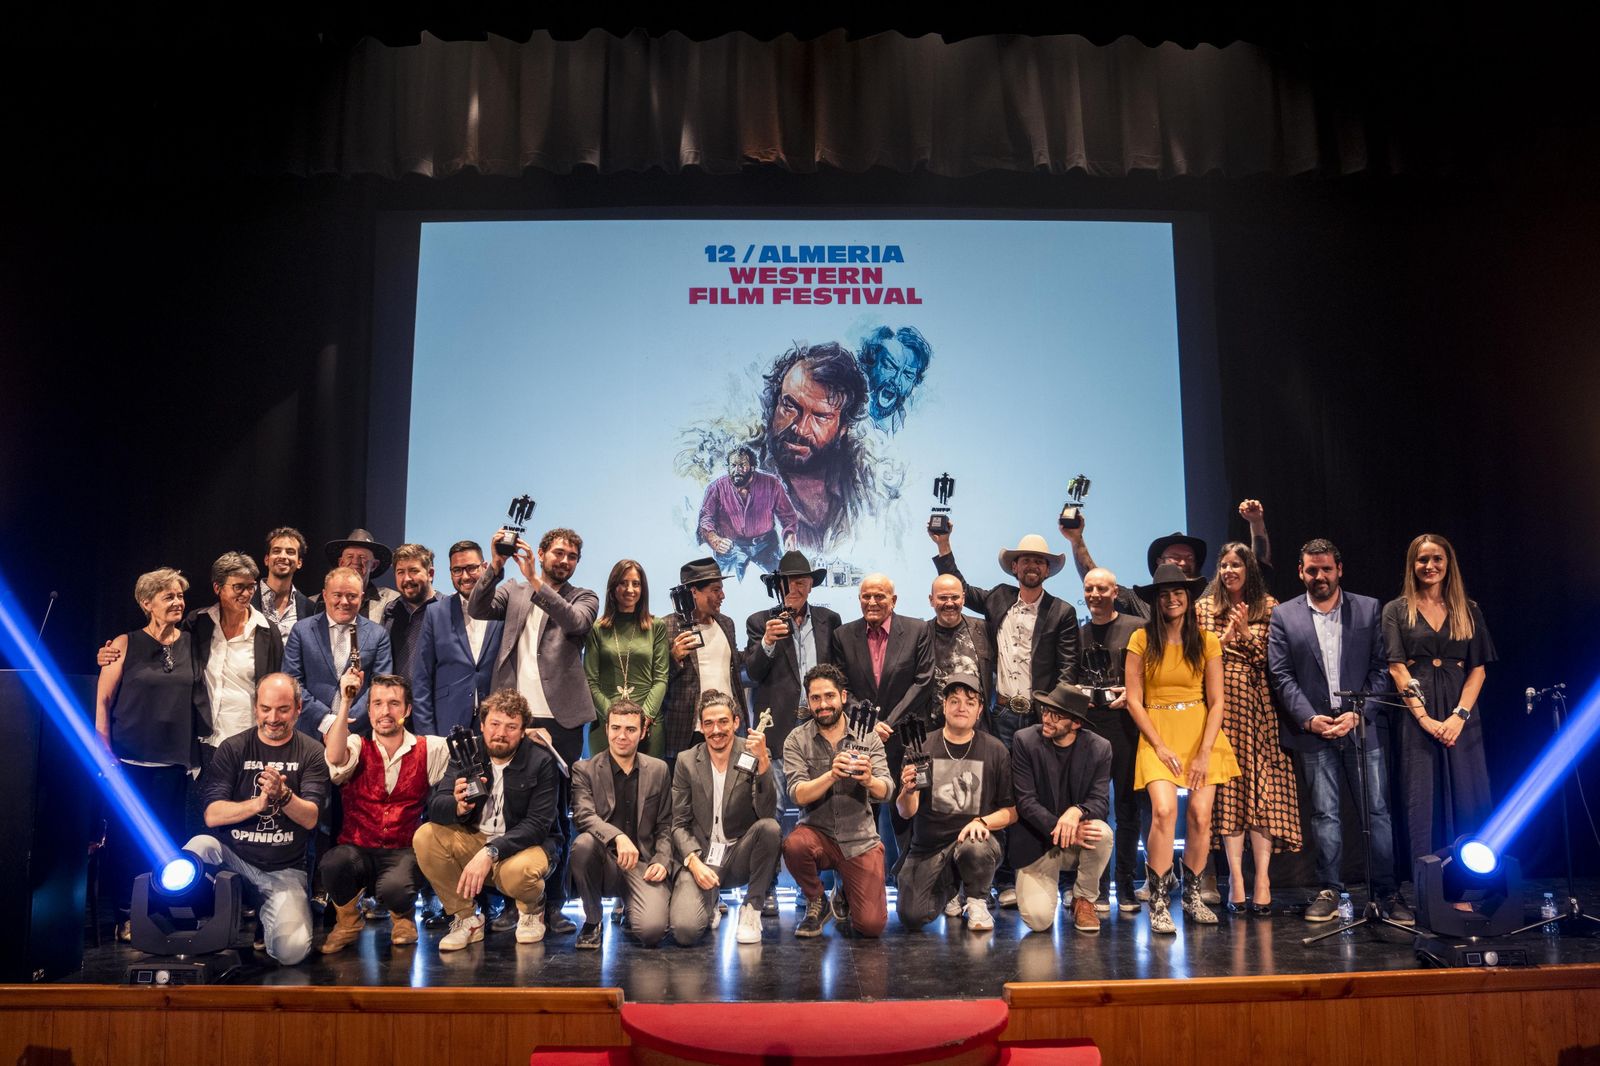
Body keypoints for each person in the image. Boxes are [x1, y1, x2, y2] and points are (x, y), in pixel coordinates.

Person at [931, 526, 1080, 908]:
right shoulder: (999, 599)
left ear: (1047, 570)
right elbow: (959, 586)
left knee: (1044, 794)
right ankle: (1003, 879)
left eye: (1040, 562)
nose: (1032, 566)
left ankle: (1057, 877)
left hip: (1037, 716)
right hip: (999, 715)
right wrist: (944, 545)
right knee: (1002, 796)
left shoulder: (1062, 612)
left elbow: (1066, 670)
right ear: (1015, 567)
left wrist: (1052, 715)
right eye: (1026, 560)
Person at [1268, 539, 1412, 924]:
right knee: (1324, 815)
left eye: (1326, 569)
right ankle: (1328, 890)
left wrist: (1357, 713)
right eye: (1311, 570)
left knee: (1377, 813)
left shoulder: (1368, 608)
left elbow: (1383, 669)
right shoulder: (1284, 615)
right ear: (1301, 572)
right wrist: (1308, 718)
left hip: (1361, 727)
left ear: (1339, 570)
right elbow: (1281, 676)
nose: (1319, 576)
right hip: (1315, 731)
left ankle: (1387, 893)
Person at [468, 525, 599, 935]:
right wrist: (495, 563)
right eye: (557, 552)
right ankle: (515, 902)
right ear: (541, 551)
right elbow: (477, 607)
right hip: (514, 716)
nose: (564, 560)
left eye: (571, 556)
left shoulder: (584, 596)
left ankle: (556, 903)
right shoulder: (512, 589)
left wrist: (536, 582)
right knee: (510, 810)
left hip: (560, 720)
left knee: (557, 813)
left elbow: (576, 622)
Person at [1124, 563, 1241, 933]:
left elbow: (1218, 701)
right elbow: (1133, 700)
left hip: (1200, 733)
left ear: (1188, 597)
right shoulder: (1141, 639)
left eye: (1178, 593)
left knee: (1201, 816)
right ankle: (1158, 899)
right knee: (1161, 811)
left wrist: (1205, 751)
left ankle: (1191, 895)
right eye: (1164, 594)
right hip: (1158, 732)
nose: (1172, 599)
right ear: (1156, 600)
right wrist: (1158, 745)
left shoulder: (1206, 640)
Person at [183, 673, 329, 965]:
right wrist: (259, 803)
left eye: (283, 709)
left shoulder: (312, 752)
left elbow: (311, 818)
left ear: (298, 708)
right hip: (234, 863)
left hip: (283, 870)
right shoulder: (234, 747)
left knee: (292, 952)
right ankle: (199, 918)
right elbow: (212, 816)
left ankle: (267, 917)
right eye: (265, 708)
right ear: (255, 708)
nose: (272, 718)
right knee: (199, 847)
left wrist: (283, 795)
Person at [94, 568, 208, 939]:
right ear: (147, 603)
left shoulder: (192, 642)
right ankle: (126, 914)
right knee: (127, 841)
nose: (178, 602)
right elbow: (104, 701)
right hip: (128, 761)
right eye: (168, 597)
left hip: (174, 764)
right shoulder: (124, 643)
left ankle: (157, 909)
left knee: (168, 841)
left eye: (180, 596)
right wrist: (104, 751)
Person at [1194, 542, 1301, 915]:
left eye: (1236, 565)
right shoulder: (1204, 608)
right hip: (1221, 708)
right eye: (1223, 565)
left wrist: (1247, 635)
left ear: (1249, 569)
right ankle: (1236, 879)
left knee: (1264, 792)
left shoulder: (1269, 607)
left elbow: (1276, 660)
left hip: (1262, 709)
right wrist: (1225, 639)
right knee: (1230, 794)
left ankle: (1263, 879)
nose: (1229, 571)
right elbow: (1196, 659)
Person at [414, 689, 563, 950]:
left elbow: (539, 825)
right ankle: (467, 919)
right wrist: (457, 807)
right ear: (482, 725)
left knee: (520, 873)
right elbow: (435, 805)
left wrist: (490, 851)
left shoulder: (541, 761)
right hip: (475, 840)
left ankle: (531, 910)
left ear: (524, 730)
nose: (501, 733)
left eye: (511, 726)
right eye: (494, 724)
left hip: (523, 847)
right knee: (425, 835)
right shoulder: (465, 753)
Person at [1383, 534, 1496, 874]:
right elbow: (1396, 667)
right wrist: (1425, 719)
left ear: (1448, 564)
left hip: (1461, 716)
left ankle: (1473, 881)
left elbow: (1478, 669)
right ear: (1412, 565)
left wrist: (1458, 716)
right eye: (1422, 560)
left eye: (1437, 559)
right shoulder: (1396, 610)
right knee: (1421, 799)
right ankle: (1426, 886)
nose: (1429, 566)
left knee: (1469, 795)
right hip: (1417, 716)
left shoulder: (1469, 609)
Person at [318, 671, 451, 952]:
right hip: (357, 848)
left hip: (401, 849)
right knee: (333, 863)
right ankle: (347, 922)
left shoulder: (429, 748)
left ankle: (403, 918)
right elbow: (334, 757)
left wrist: (521, 732)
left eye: (393, 704)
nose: (385, 712)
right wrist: (345, 702)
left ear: (408, 709)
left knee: (396, 887)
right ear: (368, 709)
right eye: (377, 704)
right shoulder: (356, 744)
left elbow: (477, 746)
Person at [893, 674, 1016, 933]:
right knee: (911, 916)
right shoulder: (921, 747)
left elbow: (1011, 812)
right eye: (955, 701)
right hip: (929, 846)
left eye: (970, 702)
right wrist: (907, 789)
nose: (962, 707)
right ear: (944, 706)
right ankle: (952, 887)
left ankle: (977, 901)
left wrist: (982, 821)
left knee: (975, 846)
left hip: (976, 843)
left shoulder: (996, 750)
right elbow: (906, 812)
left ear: (980, 710)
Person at [829, 572, 934, 871]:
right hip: (861, 737)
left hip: (907, 738)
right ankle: (858, 881)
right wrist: (870, 722)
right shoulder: (843, 635)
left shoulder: (917, 630)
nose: (872, 602)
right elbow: (841, 687)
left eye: (879, 596)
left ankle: (911, 876)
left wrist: (889, 721)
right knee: (863, 810)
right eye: (866, 596)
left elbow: (923, 682)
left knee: (908, 808)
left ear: (893, 600)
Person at [781, 664, 893, 938]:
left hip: (859, 839)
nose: (823, 704)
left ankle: (844, 891)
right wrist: (832, 774)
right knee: (794, 845)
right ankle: (817, 899)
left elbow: (887, 789)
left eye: (829, 696)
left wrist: (868, 780)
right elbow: (796, 793)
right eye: (815, 698)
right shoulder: (797, 739)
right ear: (808, 701)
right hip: (818, 834)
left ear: (843, 697)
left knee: (871, 926)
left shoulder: (867, 735)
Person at [669, 690, 781, 946]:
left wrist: (763, 761)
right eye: (708, 723)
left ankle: (751, 910)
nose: (716, 730)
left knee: (770, 829)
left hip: (739, 852)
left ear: (736, 722)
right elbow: (678, 824)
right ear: (700, 726)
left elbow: (766, 813)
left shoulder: (754, 752)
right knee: (684, 931)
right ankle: (711, 900)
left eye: (723, 722)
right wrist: (693, 862)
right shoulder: (686, 761)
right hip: (702, 856)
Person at [1009, 683, 1113, 934]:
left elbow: (1100, 801)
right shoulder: (1024, 740)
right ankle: (1046, 889)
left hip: (1075, 842)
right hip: (1038, 843)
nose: (1047, 718)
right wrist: (1060, 827)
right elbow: (1026, 801)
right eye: (1045, 711)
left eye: (1056, 715)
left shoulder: (1100, 748)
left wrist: (1076, 811)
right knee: (1038, 921)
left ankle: (1084, 899)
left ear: (1076, 723)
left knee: (1102, 832)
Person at [570, 700, 674, 949]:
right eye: (616, 728)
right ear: (606, 729)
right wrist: (618, 837)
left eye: (630, 729)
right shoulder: (584, 769)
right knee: (583, 844)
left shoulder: (659, 769)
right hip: (604, 863)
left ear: (643, 731)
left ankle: (631, 906)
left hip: (643, 864)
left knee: (652, 931)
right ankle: (593, 921)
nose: (622, 736)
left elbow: (666, 824)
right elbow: (584, 815)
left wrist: (662, 859)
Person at [755, 341, 876, 549]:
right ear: (774, 404)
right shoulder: (743, 474)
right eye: (789, 407)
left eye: (820, 416)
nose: (801, 429)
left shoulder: (869, 487)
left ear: (842, 428)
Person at [1077, 566, 1144, 914]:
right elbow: (1070, 681)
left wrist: (1131, 693)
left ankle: (1127, 886)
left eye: (1102, 589)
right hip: (1090, 730)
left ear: (1115, 591)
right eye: (1089, 589)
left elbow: (1150, 675)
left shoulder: (1136, 628)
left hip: (1127, 730)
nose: (1094, 595)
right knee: (1094, 811)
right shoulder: (1079, 633)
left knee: (1129, 810)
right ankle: (1097, 888)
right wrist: (1079, 695)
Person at [744, 550, 842, 775]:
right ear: (777, 586)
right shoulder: (760, 622)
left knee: (816, 798)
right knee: (775, 802)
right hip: (777, 725)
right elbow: (753, 673)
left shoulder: (830, 620)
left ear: (810, 585)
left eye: (799, 583)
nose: (792, 590)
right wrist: (767, 641)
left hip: (821, 722)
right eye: (785, 583)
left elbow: (837, 674)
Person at [283, 566, 393, 736]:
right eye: (337, 595)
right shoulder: (301, 631)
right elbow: (292, 682)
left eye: (352, 596)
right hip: (310, 732)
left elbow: (380, 685)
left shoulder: (378, 634)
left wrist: (345, 722)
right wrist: (327, 721)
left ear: (362, 598)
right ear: (325, 595)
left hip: (357, 733)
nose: (344, 602)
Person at [412, 540, 504, 736]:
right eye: (457, 570)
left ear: (485, 567)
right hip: (447, 724)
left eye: (471, 568)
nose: (465, 576)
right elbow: (422, 679)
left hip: (496, 725)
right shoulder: (435, 613)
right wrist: (427, 736)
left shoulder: (503, 607)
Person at [662, 558, 745, 770]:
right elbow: (657, 679)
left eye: (722, 589)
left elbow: (734, 673)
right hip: (687, 731)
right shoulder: (667, 626)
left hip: (728, 728)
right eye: (716, 590)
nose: (722, 595)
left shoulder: (726, 623)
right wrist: (674, 658)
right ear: (693, 592)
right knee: (685, 797)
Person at [584, 559, 670, 758]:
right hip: (606, 723)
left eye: (636, 583)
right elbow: (590, 681)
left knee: (649, 786)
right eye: (623, 583)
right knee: (604, 785)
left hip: (648, 723)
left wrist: (644, 717)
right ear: (613, 587)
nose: (630, 589)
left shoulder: (656, 626)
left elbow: (660, 679)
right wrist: (614, 718)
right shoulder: (597, 629)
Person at [697, 446, 799, 579]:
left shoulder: (771, 483)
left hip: (766, 546)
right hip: (731, 547)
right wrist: (713, 539)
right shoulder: (716, 488)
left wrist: (790, 533)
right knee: (725, 586)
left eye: (742, 465)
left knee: (780, 583)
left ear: (752, 467)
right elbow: (706, 518)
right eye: (733, 465)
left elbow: (788, 515)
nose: (737, 470)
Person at [927, 573, 992, 715]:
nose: (949, 603)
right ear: (931, 600)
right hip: (933, 730)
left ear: (963, 598)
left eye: (955, 597)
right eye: (943, 598)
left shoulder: (984, 630)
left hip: (977, 728)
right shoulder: (921, 635)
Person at [856, 324, 932, 433]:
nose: (896, 381)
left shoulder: (908, 424)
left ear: (915, 382)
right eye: (890, 366)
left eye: (907, 375)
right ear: (871, 362)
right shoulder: (845, 418)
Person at [382, 543, 439, 682]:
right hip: (397, 701)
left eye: (413, 571)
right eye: (400, 572)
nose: (407, 578)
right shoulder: (390, 612)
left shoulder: (447, 609)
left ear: (430, 574)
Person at [319, 528, 400, 623]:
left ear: (374, 565)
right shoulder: (315, 602)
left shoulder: (390, 600)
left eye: (362, 557)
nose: (355, 562)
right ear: (341, 562)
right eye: (350, 556)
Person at [254, 527, 314, 641]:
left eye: (290, 552)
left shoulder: (309, 608)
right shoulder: (247, 599)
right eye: (276, 551)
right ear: (266, 559)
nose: (282, 556)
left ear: (299, 562)